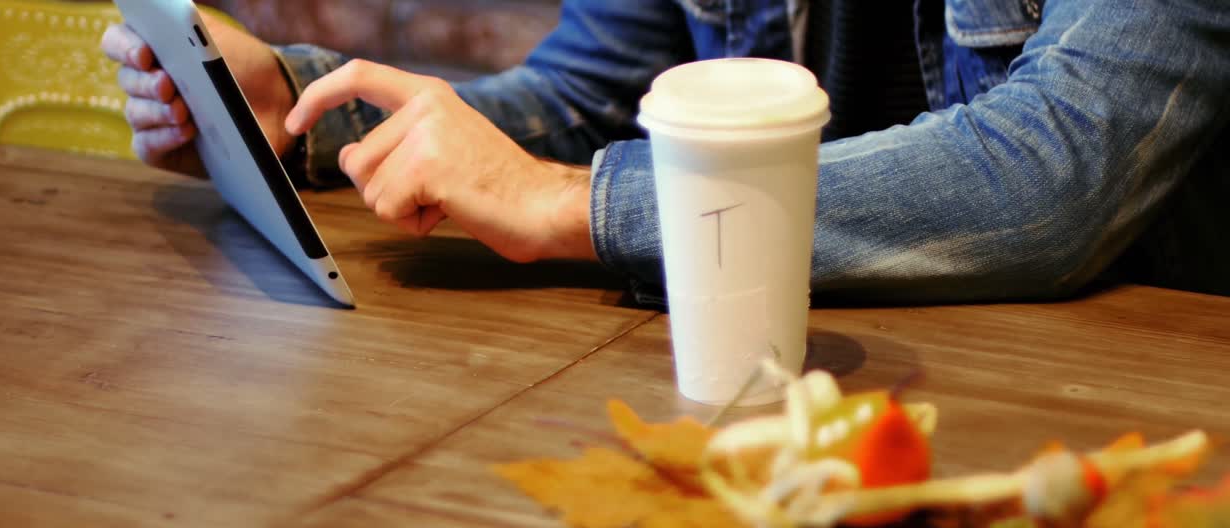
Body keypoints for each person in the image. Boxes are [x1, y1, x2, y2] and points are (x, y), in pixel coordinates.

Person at [100, 1, 1230, 305]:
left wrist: (570, 205)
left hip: (1116, 412)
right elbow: (589, 92)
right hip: (781, 392)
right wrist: (301, 112)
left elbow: (1051, 174)